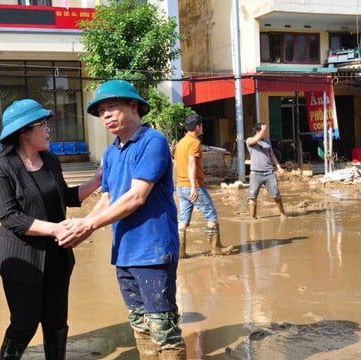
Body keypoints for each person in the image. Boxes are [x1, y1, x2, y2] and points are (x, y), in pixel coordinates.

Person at [57, 80, 187, 359]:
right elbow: (108, 198)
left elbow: (137, 196)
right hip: (125, 252)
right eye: (101, 110)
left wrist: (89, 224)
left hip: (153, 250)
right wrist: (82, 227)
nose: (106, 115)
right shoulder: (111, 152)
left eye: (112, 107)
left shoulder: (153, 141)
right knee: (139, 323)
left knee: (163, 326)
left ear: (134, 106)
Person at [0, 99, 101, 360]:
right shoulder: (1, 168)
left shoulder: (50, 161)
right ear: (24, 132)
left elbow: (66, 196)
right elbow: (10, 217)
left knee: (56, 322)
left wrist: (97, 181)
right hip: (22, 259)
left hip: (57, 257)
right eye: (42, 125)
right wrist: (57, 229)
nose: (49, 129)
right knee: (24, 324)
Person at [174, 113, 234, 258]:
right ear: (197, 127)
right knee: (211, 215)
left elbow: (176, 165)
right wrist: (194, 187)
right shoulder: (194, 142)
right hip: (193, 185)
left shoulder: (181, 143)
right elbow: (192, 164)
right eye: (201, 125)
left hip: (181, 185)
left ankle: (180, 252)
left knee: (183, 220)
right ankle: (215, 248)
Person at [246, 123, 287, 220]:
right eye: (264, 131)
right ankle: (253, 218)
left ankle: (282, 213)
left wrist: (278, 166)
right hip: (256, 173)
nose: (265, 133)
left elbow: (272, 155)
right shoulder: (249, 140)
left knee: (276, 194)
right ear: (258, 131)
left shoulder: (267, 141)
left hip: (269, 173)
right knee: (252, 198)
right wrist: (262, 129)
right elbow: (255, 140)